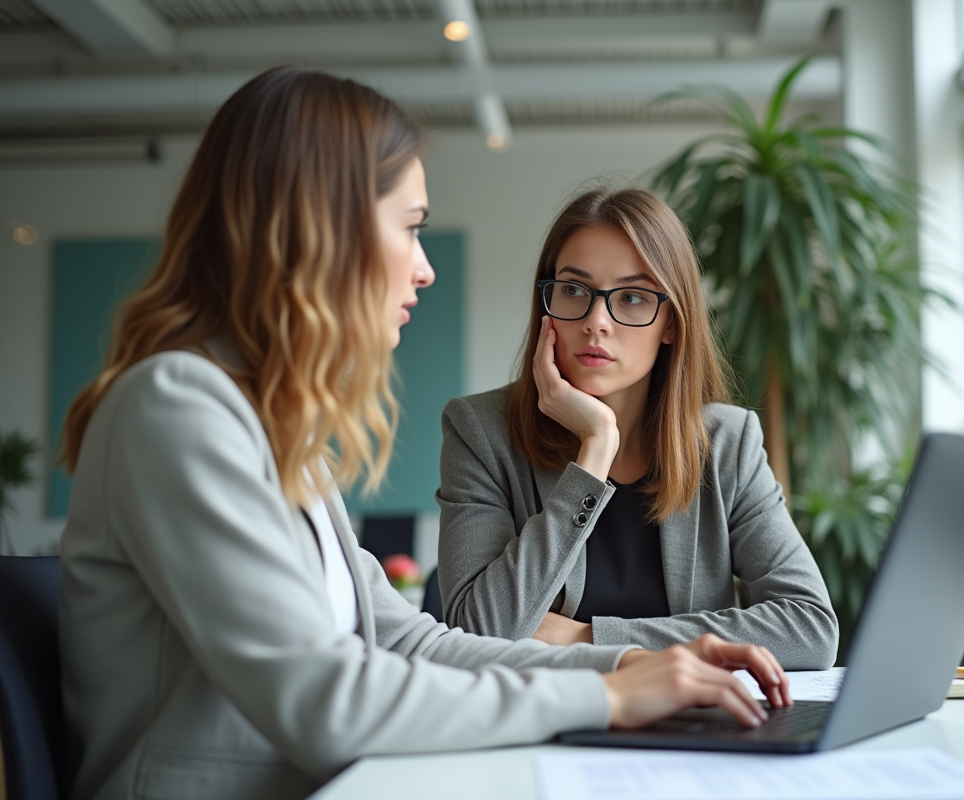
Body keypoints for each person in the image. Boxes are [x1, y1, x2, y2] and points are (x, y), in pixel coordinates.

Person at [56, 68, 791, 800]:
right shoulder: (177, 407)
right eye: (410, 228)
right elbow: (328, 700)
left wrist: (617, 667)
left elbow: (411, 640)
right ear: (322, 230)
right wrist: (608, 699)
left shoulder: (265, 427)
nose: (426, 269)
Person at [436, 187, 839, 669]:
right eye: (573, 290)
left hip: (694, 727)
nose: (595, 321)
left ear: (671, 323)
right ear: (546, 308)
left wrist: (589, 638)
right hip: (552, 726)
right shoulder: (480, 431)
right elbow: (477, 632)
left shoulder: (727, 443)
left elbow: (811, 628)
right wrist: (596, 449)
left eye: (630, 298)